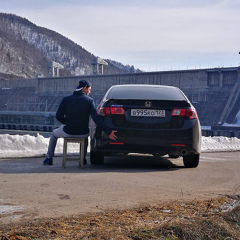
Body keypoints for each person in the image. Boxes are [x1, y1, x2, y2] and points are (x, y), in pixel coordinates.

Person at [43, 80, 117, 165]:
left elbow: (58, 116)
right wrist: (108, 131)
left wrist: (67, 122)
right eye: (89, 89)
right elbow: (96, 118)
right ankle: (83, 158)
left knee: (53, 134)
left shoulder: (66, 99)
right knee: (86, 136)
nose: (89, 92)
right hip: (83, 132)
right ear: (84, 88)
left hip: (68, 131)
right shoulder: (89, 101)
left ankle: (49, 158)